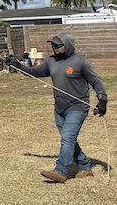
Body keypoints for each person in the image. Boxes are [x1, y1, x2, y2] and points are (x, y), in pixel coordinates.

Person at [11, 32, 108, 183]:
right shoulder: (51, 62)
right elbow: (35, 72)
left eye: (58, 45)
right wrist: (17, 65)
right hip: (59, 109)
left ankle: (61, 171)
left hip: (77, 107)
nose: (54, 48)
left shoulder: (80, 62)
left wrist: (102, 100)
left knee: (68, 137)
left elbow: (96, 81)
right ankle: (85, 166)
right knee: (68, 139)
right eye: (53, 45)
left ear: (67, 45)